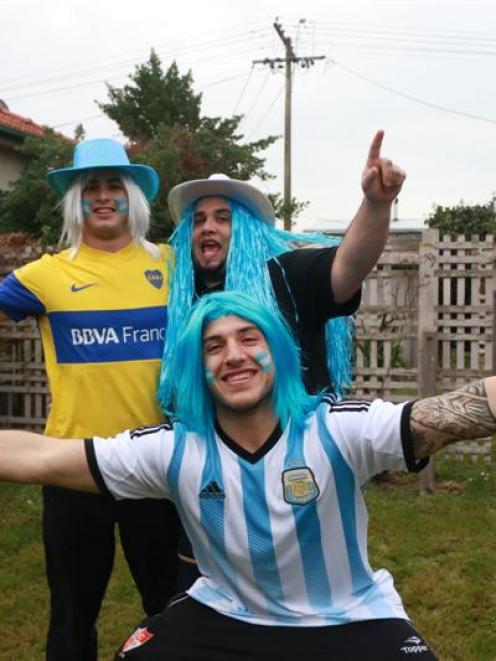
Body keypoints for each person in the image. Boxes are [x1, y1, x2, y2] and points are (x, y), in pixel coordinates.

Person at [1, 292, 494, 660]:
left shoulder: (341, 428)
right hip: (227, 613)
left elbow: (463, 410)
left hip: (350, 616)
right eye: (213, 347)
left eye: (249, 339)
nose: (233, 355)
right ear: (199, 368)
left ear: (277, 353)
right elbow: (43, 457)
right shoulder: (173, 449)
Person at [161, 128, 406, 581]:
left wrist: (376, 205)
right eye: (199, 220)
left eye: (223, 217)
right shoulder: (179, 299)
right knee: (206, 592)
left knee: (305, 593)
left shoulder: (287, 275)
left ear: (249, 230)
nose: (208, 227)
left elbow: (347, 266)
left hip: (296, 475)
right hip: (212, 477)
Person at [0, 138, 179, 660]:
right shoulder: (45, 276)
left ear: (134, 198)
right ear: (75, 201)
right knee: (73, 613)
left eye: (114, 186)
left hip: (156, 463)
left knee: (171, 605)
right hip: (72, 467)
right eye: (91, 188)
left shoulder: (172, 268)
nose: (103, 197)